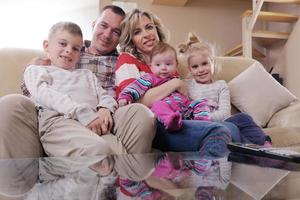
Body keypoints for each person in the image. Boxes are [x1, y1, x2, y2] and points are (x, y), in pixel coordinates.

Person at [0, 5, 156, 158]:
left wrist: (105, 108)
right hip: (61, 115)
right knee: (10, 102)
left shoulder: (123, 62)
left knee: (138, 117)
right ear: (94, 24)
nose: (107, 35)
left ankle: (128, 180)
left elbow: (128, 91)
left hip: (106, 117)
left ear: (121, 37)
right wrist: (34, 68)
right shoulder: (67, 53)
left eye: (116, 31)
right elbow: (37, 89)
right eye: (103, 25)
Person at [116, 8, 242, 157]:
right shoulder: (127, 59)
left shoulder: (169, 61)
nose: (146, 34)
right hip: (159, 124)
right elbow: (134, 103)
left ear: (157, 30)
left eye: (149, 27)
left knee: (233, 127)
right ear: (131, 40)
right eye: (137, 32)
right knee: (220, 131)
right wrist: (175, 83)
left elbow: (183, 97)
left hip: (182, 117)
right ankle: (207, 173)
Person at [178, 32, 272, 147]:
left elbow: (224, 112)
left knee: (243, 118)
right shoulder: (186, 85)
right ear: (189, 69)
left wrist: (206, 117)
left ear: (213, 63)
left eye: (204, 64)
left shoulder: (221, 85)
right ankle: (250, 150)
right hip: (198, 125)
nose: (201, 69)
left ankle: (265, 145)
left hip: (222, 122)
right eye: (195, 67)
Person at [118, 42, 211, 131]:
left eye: (168, 64)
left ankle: (201, 123)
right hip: (165, 108)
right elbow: (136, 87)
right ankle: (171, 121)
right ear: (151, 66)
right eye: (158, 64)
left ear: (176, 65)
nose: (163, 68)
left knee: (200, 103)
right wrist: (126, 96)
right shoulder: (150, 78)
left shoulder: (177, 79)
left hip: (183, 107)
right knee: (158, 106)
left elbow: (186, 96)